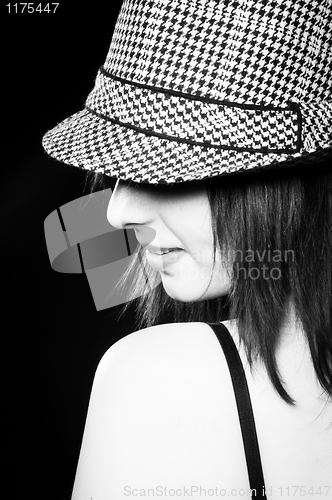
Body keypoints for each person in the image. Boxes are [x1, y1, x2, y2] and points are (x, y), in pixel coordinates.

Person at [42, 0, 332, 498]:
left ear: (283, 180)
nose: (116, 213)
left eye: (161, 169)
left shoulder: (157, 381)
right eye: (117, 169)